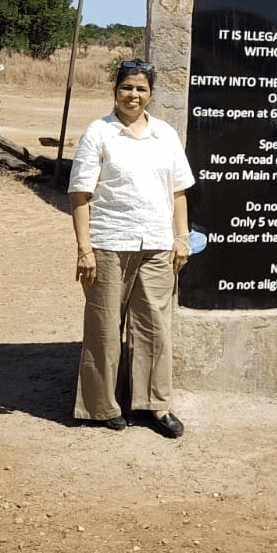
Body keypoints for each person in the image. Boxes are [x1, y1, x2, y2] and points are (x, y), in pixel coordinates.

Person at [69, 59, 194, 437]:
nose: (133, 95)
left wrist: (182, 236)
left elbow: (178, 190)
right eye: (127, 87)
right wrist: (84, 249)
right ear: (115, 90)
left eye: (141, 89)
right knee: (105, 327)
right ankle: (102, 405)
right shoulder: (99, 133)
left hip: (157, 246)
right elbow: (80, 194)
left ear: (151, 93)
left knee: (155, 327)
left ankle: (155, 405)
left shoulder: (165, 135)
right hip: (109, 243)